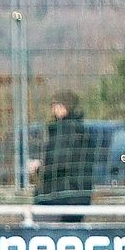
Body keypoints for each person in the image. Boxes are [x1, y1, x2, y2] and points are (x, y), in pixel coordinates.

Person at [33, 90, 97, 222]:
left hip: (58, 197)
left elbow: (58, 164)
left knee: (38, 228)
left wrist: (39, 168)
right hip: (80, 197)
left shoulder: (62, 132)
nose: (52, 110)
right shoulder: (82, 131)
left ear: (64, 107)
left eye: (55, 105)